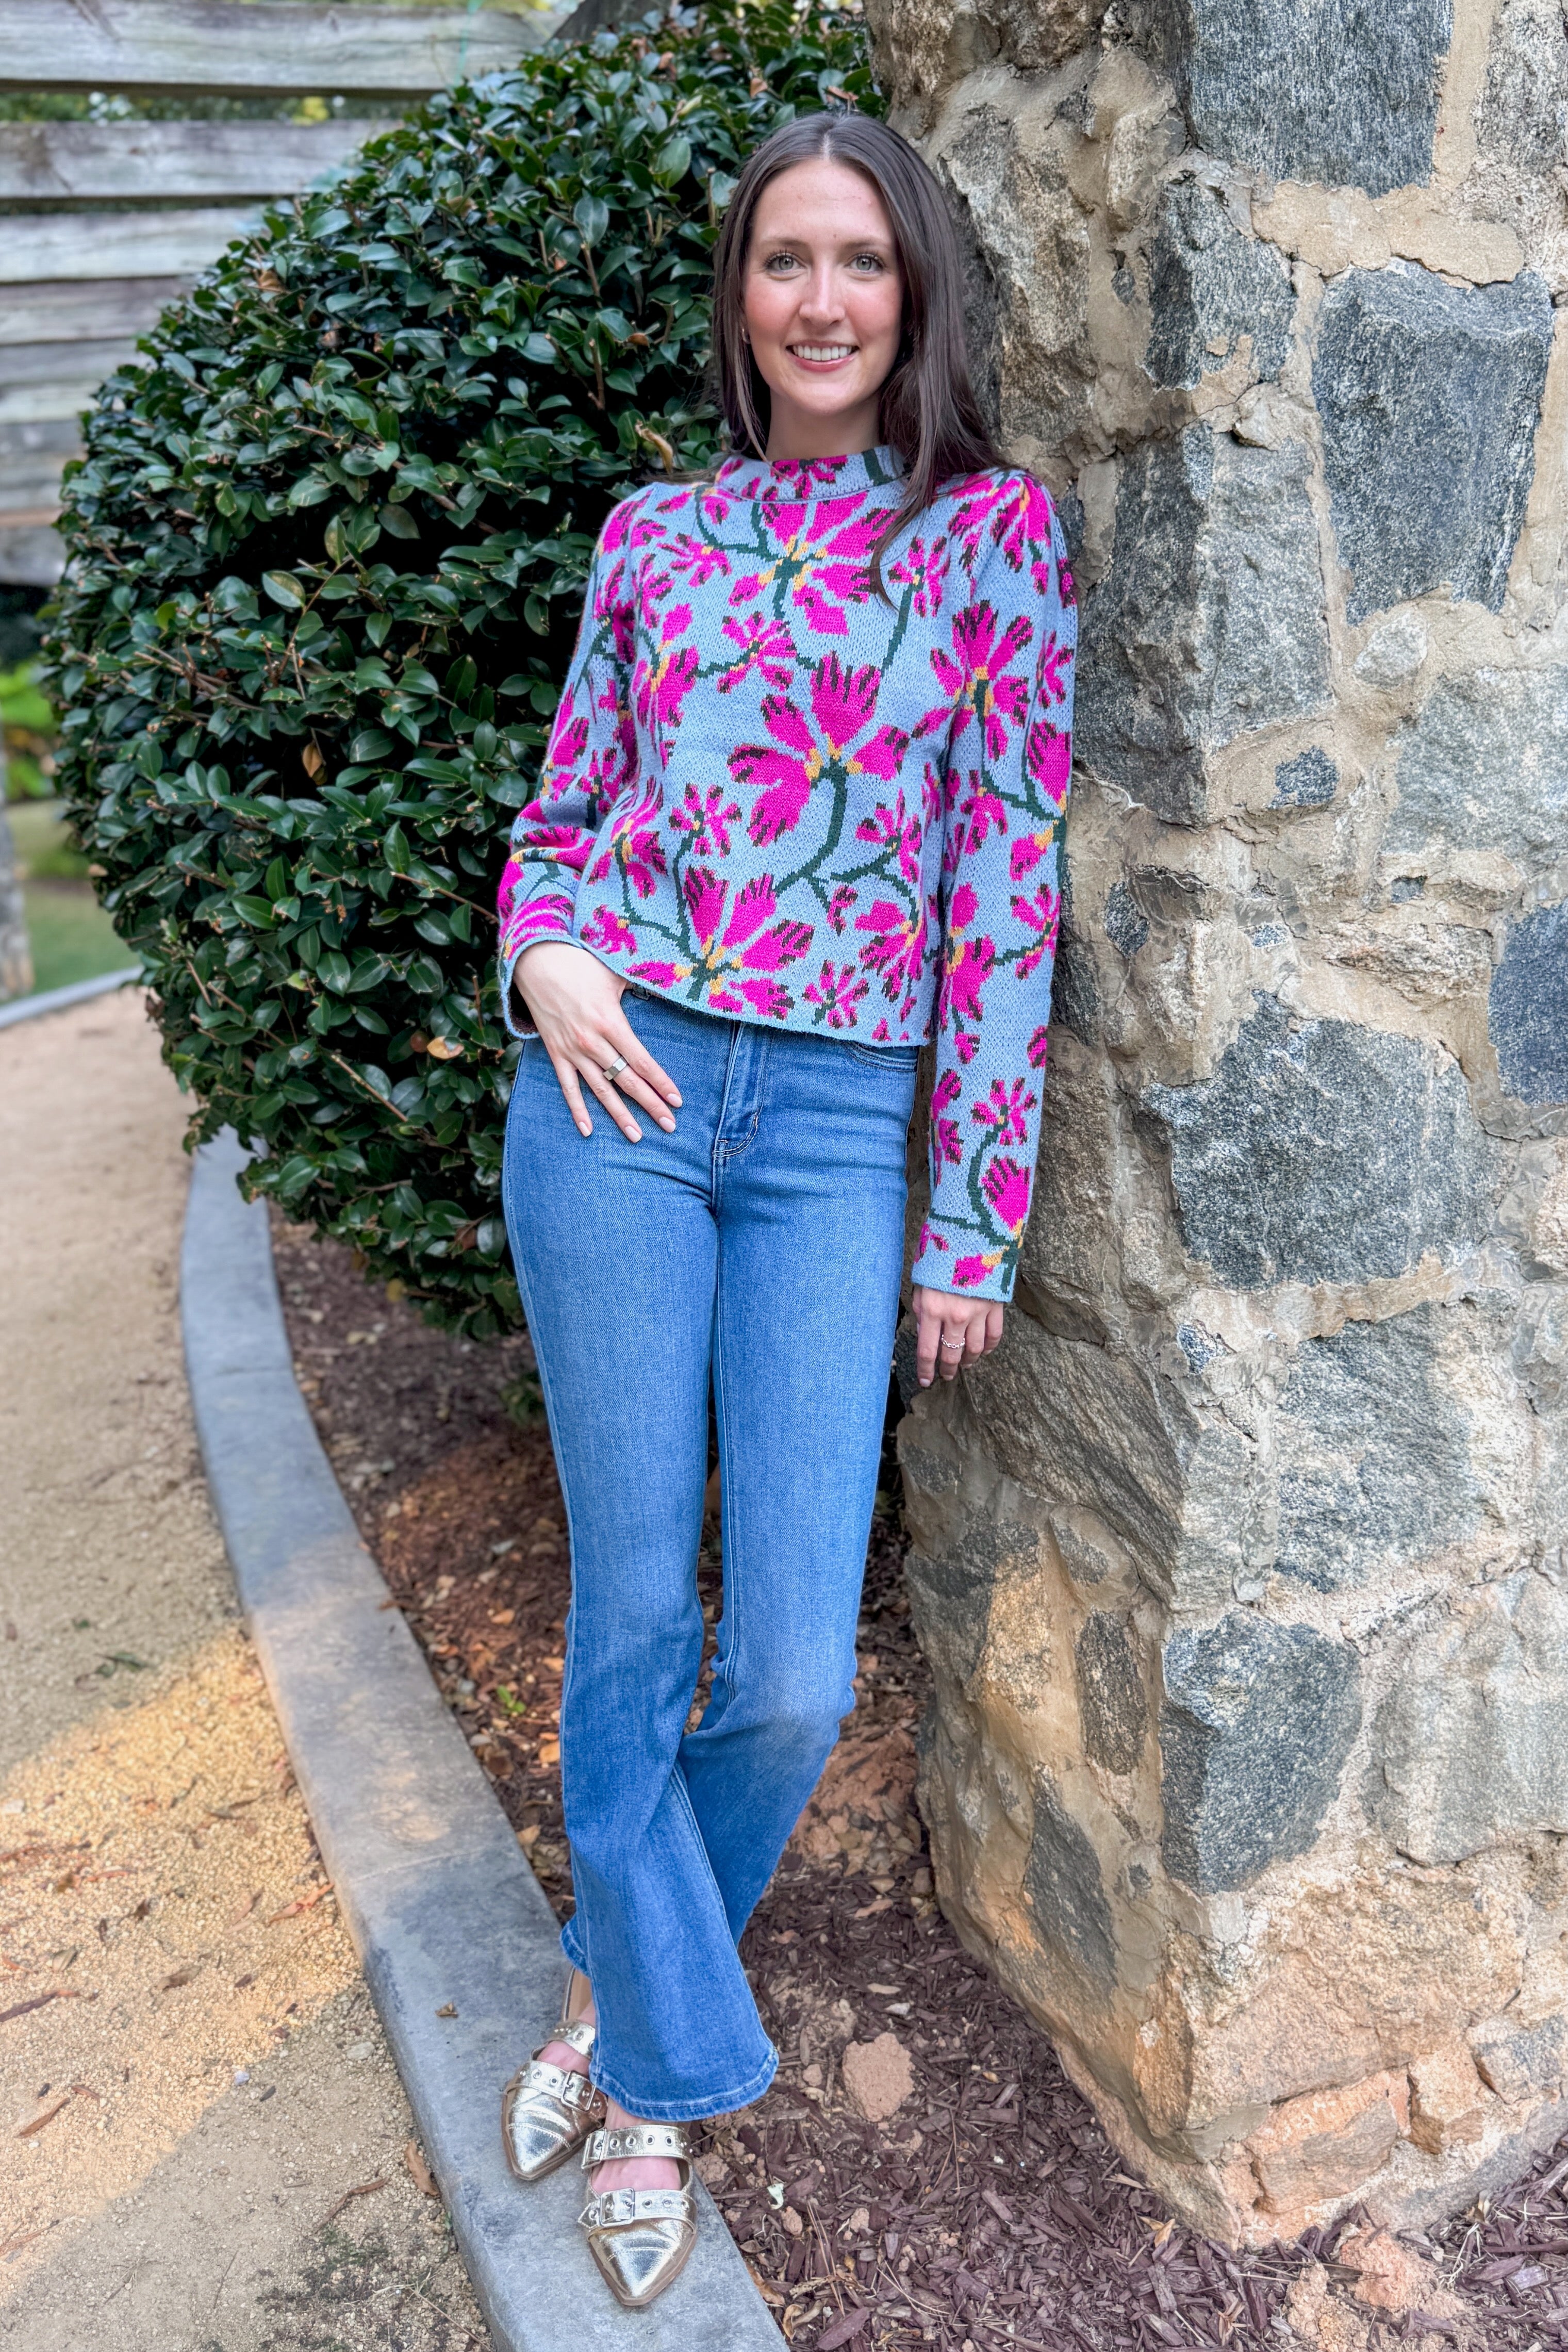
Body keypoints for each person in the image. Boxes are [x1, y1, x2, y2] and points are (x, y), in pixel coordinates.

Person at [493, 108, 1076, 2311]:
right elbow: (564, 819)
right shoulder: (652, 539)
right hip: (615, 1087)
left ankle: (610, 1981)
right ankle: (649, 2068)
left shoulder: (995, 542)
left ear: (910, 287)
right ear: (741, 299)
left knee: (793, 1663)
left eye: (857, 258)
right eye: (780, 261)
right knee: (635, 1614)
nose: (819, 297)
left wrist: (969, 1219)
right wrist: (546, 951)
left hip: (840, 1127)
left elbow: (1005, 898)